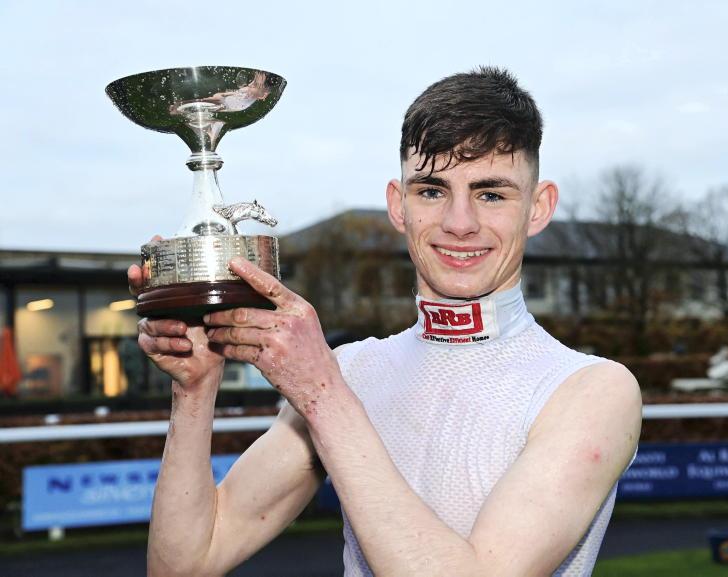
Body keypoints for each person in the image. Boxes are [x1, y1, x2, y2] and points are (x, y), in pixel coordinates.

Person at [130, 66, 642, 577]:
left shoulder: (592, 390)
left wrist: (323, 395)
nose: (459, 224)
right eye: (432, 191)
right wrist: (195, 391)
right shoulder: (353, 370)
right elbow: (186, 565)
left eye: (491, 194)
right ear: (398, 205)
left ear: (539, 207)